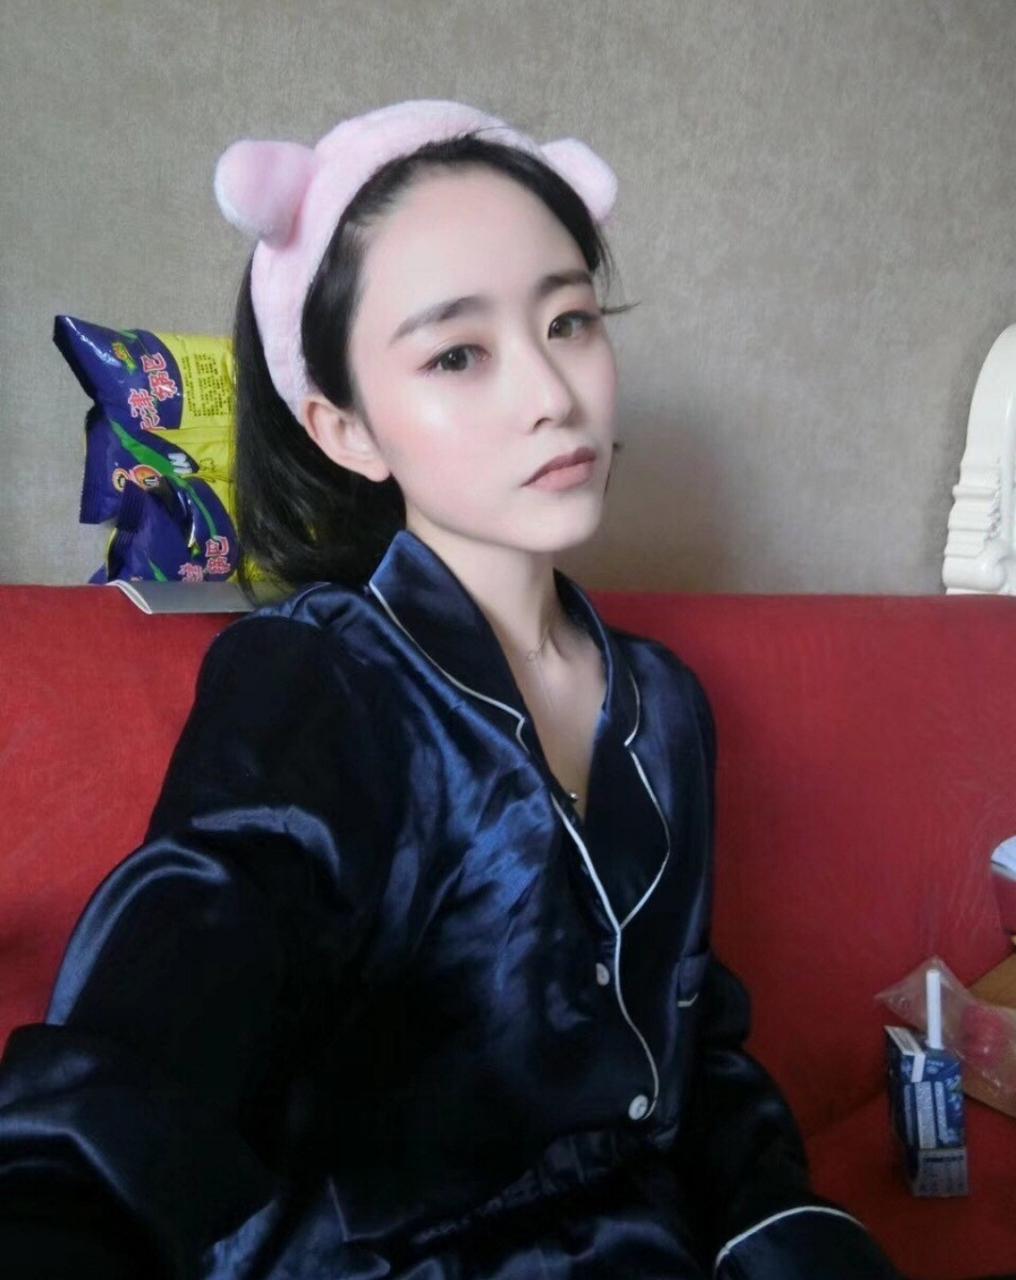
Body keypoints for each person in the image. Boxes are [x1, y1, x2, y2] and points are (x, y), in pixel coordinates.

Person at [0, 98, 906, 1279]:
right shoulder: (320, 673)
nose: (551, 392)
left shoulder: (664, 703)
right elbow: (206, 921)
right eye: (456, 354)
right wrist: (59, 1200)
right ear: (343, 426)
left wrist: (780, 1222)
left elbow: (686, 1043)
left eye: (568, 319)